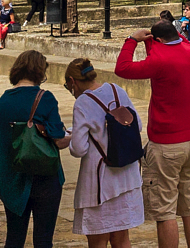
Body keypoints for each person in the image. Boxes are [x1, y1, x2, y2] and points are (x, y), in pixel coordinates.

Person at [116, 20, 190, 248]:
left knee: (165, 211)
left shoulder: (158, 60)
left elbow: (122, 68)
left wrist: (132, 40)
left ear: (157, 41)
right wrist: (155, 41)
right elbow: (176, 43)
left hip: (165, 145)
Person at [0, 50, 68, 248]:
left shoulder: (4, 101)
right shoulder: (45, 98)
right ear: (39, 72)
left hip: (13, 178)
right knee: (43, 239)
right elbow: (58, 139)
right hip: (45, 177)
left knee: (14, 237)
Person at [63, 57, 145, 248]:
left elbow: (79, 148)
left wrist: (71, 136)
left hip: (101, 183)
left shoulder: (83, 102)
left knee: (98, 239)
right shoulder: (117, 90)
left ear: (72, 82)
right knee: (122, 238)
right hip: (127, 177)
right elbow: (137, 125)